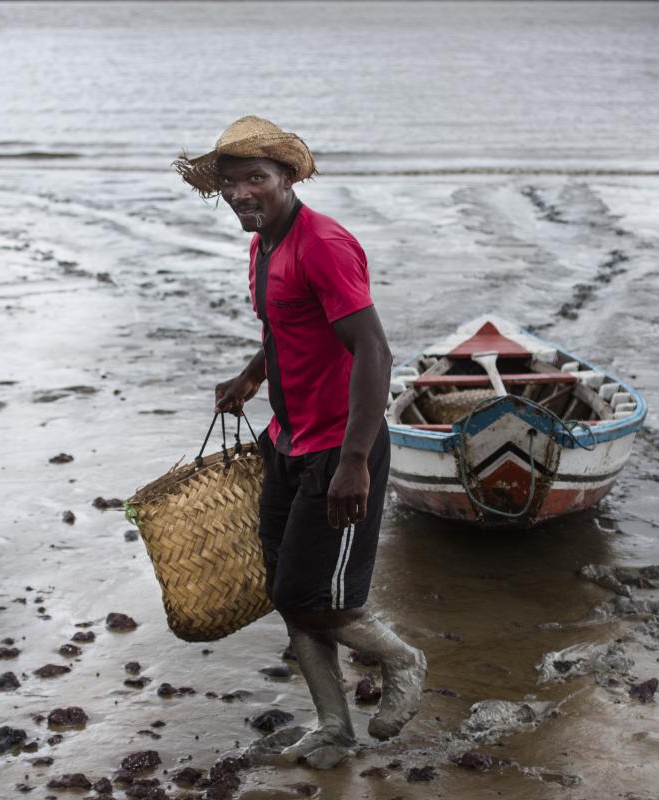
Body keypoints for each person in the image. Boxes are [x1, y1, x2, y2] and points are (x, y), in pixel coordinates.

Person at [173, 117, 426, 769]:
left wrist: (353, 464)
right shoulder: (263, 246)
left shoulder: (324, 244)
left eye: (255, 179)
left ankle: (402, 660)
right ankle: (335, 727)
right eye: (230, 183)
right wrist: (251, 376)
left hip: (342, 450)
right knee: (289, 590)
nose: (240, 194)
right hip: (286, 442)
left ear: (287, 178)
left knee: (320, 596)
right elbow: (286, 329)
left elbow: (373, 349)